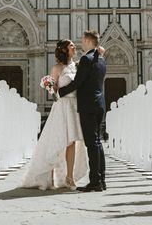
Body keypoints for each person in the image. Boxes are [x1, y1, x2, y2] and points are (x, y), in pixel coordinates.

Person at [21, 39, 97, 190]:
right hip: (62, 107)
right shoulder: (57, 68)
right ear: (64, 50)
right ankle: (49, 176)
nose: (74, 47)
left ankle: (69, 177)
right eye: (71, 46)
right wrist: (49, 87)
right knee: (59, 141)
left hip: (75, 106)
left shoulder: (77, 66)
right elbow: (53, 91)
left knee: (72, 142)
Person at [58, 30, 107, 192]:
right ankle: (101, 180)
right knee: (98, 142)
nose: (80, 43)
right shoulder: (100, 59)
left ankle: (95, 182)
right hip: (100, 104)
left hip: (88, 106)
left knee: (92, 144)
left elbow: (78, 82)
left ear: (88, 40)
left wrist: (61, 92)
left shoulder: (87, 59)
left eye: (82, 40)